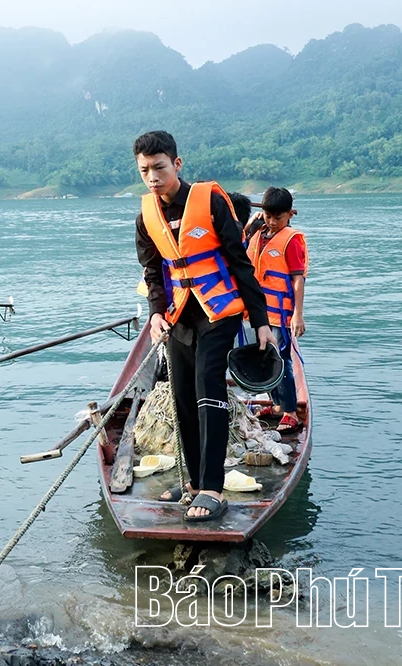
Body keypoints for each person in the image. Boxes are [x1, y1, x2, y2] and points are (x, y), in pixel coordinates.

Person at [133, 131, 276, 521]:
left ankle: (212, 488)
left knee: (207, 390)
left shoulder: (211, 201)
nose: (152, 177)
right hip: (180, 317)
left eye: (159, 167)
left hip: (220, 314)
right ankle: (195, 481)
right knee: (181, 397)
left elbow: (240, 261)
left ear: (177, 165)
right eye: (144, 170)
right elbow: (152, 272)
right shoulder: (146, 216)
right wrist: (156, 312)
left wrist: (261, 321)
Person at [245, 186, 308, 433]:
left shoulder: (291, 240)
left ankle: (291, 412)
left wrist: (298, 315)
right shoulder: (258, 233)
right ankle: (277, 405)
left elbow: (298, 279)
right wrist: (252, 223)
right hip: (259, 312)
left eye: (277, 218)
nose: (272, 222)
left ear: (290, 214)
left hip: (280, 314)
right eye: (268, 216)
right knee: (264, 359)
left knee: (281, 361)